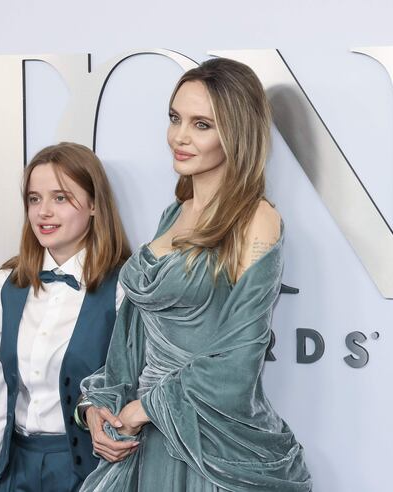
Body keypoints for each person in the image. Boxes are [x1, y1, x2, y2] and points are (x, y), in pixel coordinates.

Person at [77, 58, 312, 491]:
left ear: (236, 133)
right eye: (175, 118)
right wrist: (101, 407)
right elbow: (133, 336)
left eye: (201, 124)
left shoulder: (256, 220)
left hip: (210, 448)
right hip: (143, 440)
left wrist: (141, 410)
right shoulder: (174, 214)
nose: (179, 137)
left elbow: (239, 361)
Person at [0, 142, 133, 492]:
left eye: (60, 198)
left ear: (93, 205)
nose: (43, 212)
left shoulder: (122, 288)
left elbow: (130, 388)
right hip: (15, 470)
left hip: (90, 472)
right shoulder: (4, 286)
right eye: (34, 198)